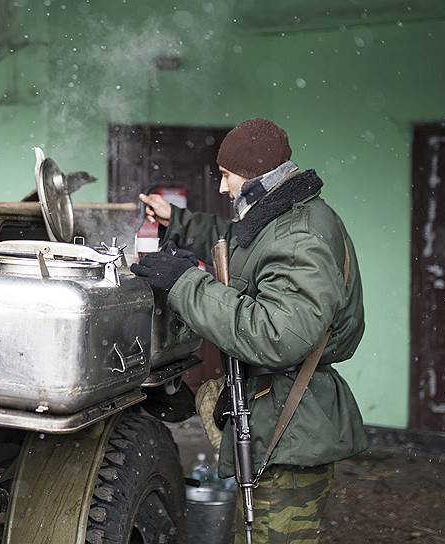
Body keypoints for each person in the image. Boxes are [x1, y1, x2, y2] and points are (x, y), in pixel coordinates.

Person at [131, 118, 367, 544]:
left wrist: (185, 283)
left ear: (256, 176)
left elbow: (276, 335)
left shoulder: (301, 237)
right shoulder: (285, 216)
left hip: (290, 423)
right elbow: (242, 243)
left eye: (227, 176)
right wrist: (177, 222)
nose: (223, 188)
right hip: (281, 414)